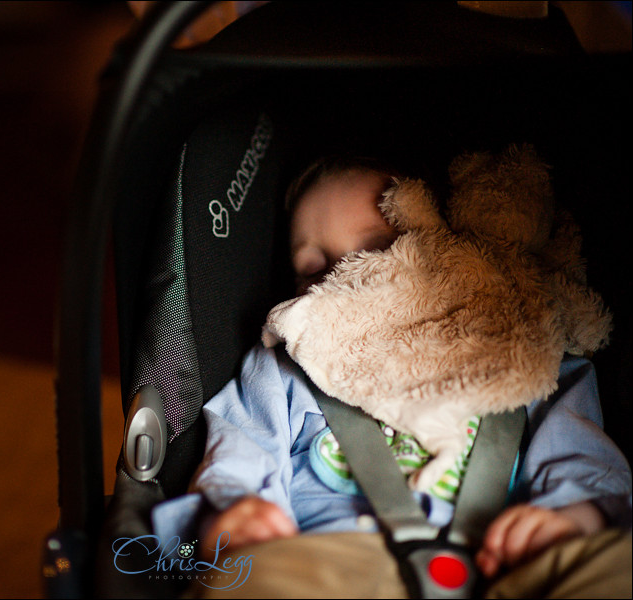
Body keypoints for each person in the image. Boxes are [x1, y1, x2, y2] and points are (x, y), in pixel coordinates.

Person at [150, 156, 632, 598]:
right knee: (250, 580)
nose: (345, 279)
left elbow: (582, 457)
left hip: (511, 561)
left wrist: (577, 515)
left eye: (376, 250)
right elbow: (240, 444)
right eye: (314, 270)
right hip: (337, 563)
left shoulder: (522, 350)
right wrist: (233, 511)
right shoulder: (286, 368)